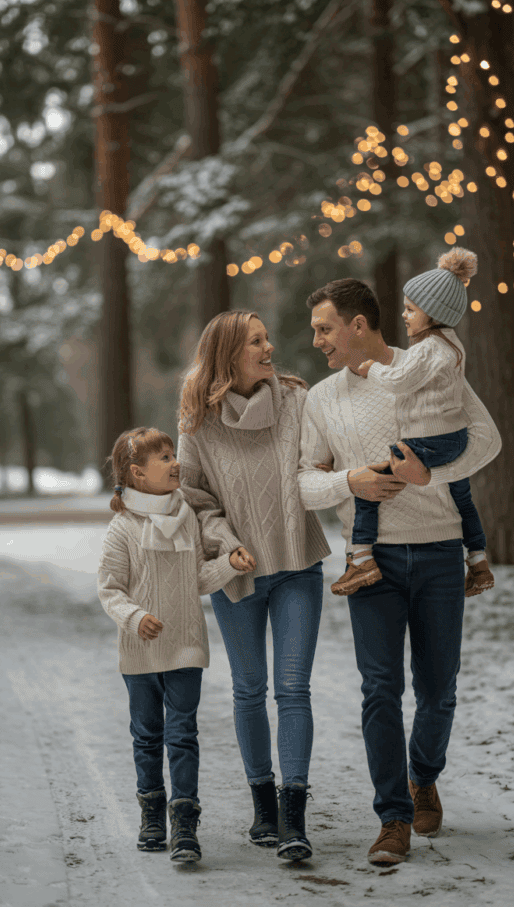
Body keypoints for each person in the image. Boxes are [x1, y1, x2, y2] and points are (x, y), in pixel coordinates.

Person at [298, 278, 501, 867]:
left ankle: (423, 775)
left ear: (358, 325)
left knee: (438, 693)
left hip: (439, 553)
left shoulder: (428, 366)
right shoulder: (324, 398)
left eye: (325, 328)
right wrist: (349, 482)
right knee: (380, 689)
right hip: (372, 563)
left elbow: (487, 440)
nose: (317, 342)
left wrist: (427, 477)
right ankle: (393, 817)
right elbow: (305, 482)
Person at [177, 310, 330, 862]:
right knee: (248, 689)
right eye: (256, 342)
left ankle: (293, 817)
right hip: (236, 571)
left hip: (296, 563)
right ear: (227, 355)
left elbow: (316, 466)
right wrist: (224, 541)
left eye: (268, 337)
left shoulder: (295, 399)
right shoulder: (198, 420)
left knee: (292, 689)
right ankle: (262, 806)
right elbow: (194, 498)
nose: (270, 347)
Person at [97, 426, 251, 863]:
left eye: (172, 454)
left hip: (185, 645)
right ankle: (151, 814)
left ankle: (184, 822)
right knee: (147, 736)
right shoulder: (122, 528)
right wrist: (135, 617)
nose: (175, 462)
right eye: (163, 457)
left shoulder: (187, 518)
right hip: (140, 653)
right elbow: (110, 589)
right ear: (137, 473)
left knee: (183, 735)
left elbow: (196, 579)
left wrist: (228, 564)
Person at [331, 248, 495, 598]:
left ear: (432, 313)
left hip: (425, 442)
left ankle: (361, 559)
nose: (404, 316)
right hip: (454, 439)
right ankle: (478, 562)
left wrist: (371, 368)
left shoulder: (425, 348)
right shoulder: (453, 345)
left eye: (410, 310)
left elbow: (399, 382)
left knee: (368, 485)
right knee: (462, 499)